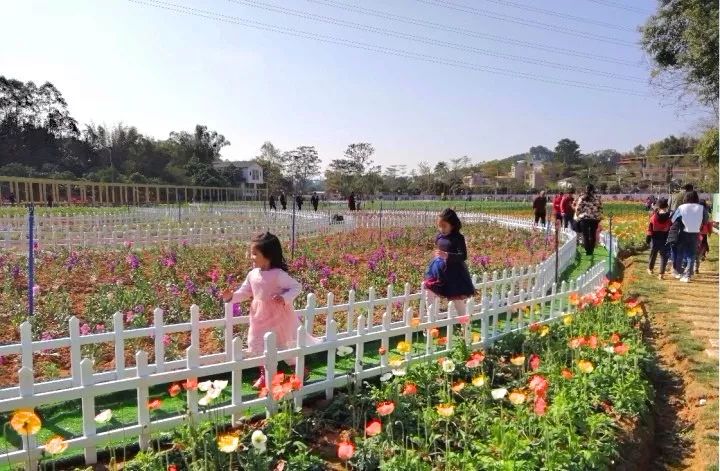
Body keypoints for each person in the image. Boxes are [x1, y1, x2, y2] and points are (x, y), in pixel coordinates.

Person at [222, 232, 317, 388]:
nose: (251, 257)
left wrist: (284, 298)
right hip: (259, 317)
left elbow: (296, 287)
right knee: (255, 342)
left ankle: (300, 369)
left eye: (254, 254)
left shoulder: (278, 275)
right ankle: (264, 375)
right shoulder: (252, 275)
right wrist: (230, 297)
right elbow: (245, 292)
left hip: (278, 316)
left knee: (284, 344)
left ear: (268, 255)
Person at [425, 208, 476, 317]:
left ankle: (464, 326)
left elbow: (463, 256)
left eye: (444, 226)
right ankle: (431, 325)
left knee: (458, 302)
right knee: (429, 292)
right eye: (439, 226)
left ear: (452, 225)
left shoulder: (458, 238)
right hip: (438, 270)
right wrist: (438, 255)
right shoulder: (439, 236)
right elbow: (440, 247)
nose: (441, 229)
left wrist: (447, 255)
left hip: (454, 272)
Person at [671, 191, 706, 282]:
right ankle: (687, 276)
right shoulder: (701, 208)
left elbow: (673, 219)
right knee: (692, 255)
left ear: (686, 198)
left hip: (683, 232)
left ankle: (678, 272)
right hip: (695, 233)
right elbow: (705, 221)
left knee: (680, 253)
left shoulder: (681, 207)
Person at [645, 198, 672, 279]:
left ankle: (650, 269)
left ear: (658, 206)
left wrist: (648, 237)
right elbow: (671, 226)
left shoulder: (654, 217)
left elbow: (650, 228)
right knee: (664, 256)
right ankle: (661, 274)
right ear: (666, 206)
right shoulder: (669, 217)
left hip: (655, 238)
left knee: (653, 254)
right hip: (665, 237)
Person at [574, 184, 603, 256]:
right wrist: (599, 216)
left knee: (585, 235)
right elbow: (600, 208)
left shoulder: (582, 197)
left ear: (586, 189)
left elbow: (578, 208)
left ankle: (587, 251)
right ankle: (591, 250)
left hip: (584, 218)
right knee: (593, 234)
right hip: (594, 218)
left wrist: (577, 215)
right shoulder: (597, 197)